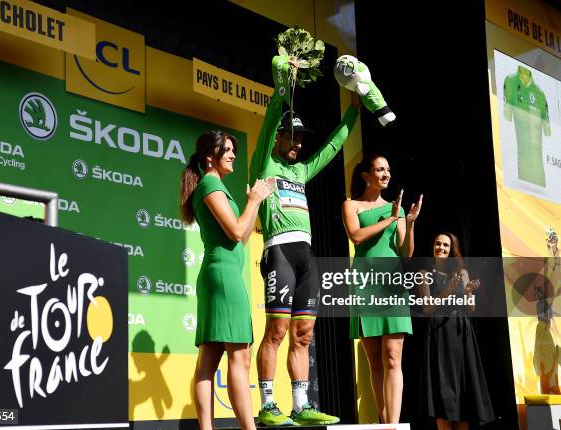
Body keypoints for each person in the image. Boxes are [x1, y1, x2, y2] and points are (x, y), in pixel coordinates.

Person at [251, 55, 360, 426]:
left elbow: (330, 150)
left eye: (300, 138)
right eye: (292, 137)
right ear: (279, 138)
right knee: (277, 331)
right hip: (279, 250)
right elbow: (268, 123)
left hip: (307, 255)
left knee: (305, 333)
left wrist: (353, 112)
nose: (297, 143)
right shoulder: (265, 164)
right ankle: (268, 404)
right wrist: (285, 88)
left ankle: (300, 405)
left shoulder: (300, 169)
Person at [180, 131, 274, 430]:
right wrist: (254, 200)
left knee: (211, 355)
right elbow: (235, 231)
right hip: (221, 276)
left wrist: (253, 203)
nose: (233, 155)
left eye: (234, 150)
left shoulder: (216, 185)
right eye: (227, 150)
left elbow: (242, 238)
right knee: (239, 355)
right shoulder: (209, 183)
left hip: (223, 274)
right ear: (211, 157)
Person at [341, 154, 422, 424]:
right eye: (379, 169)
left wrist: (408, 224)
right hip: (364, 284)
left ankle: (392, 425)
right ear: (366, 175)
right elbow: (356, 236)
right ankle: (385, 421)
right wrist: (390, 219)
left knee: (392, 357)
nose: (386, 174)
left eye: (388, 169)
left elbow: (406, 253)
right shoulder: (351, 205)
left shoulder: (394, 210)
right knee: (374, 359)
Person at [418, 232, 495, 429]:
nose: (441, 248)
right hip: (439, 333)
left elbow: (471, 308)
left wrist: (468, 291)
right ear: (433, 247)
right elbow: (427, 308)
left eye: (445, 245)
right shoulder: (423, 275)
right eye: (438, 244)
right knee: (442, 392)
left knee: (464, 392)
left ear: (452, 249)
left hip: (462, 333)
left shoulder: (462, 274)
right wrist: (448, 290)